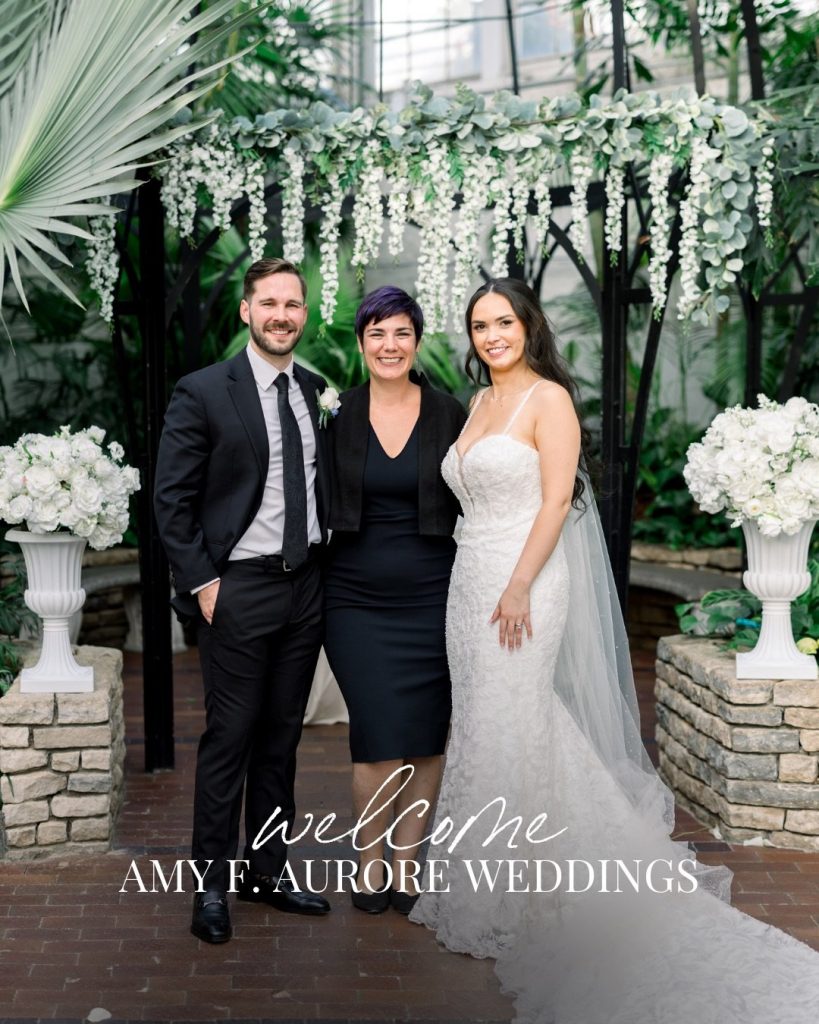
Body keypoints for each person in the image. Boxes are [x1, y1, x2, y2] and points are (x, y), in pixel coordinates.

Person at [410, 278, 819, 1022]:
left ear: (528, 327)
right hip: (468, 581)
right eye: (478, 325)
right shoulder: (478, 404)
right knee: (481, 722)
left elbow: (556, 500)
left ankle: (529, 890)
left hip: (524, 581)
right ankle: (487, 879)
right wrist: (487, 583)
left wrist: (517, 586)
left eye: (503, 321)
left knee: (514, 717)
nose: (490, 335)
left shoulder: (547, 400)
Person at [154, 257, 332, 945]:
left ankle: (268, 871)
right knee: (229, 738)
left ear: (303, 313)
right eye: (269, 303)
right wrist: (204, 583)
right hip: (238, 587)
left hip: (306, 585)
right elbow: (171, 501)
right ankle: (210, 886)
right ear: (245, 312)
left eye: (292, 303)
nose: (281, 315)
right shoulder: (203, 391)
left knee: (281, 739)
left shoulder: (317, 390)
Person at [324, 286, 466, 914]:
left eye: (402, 332)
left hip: (436, 594)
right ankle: (369, 864)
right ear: (361, 343)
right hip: (352, 597)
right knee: (378, 736)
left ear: (417, 340)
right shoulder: (335, 412)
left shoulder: (449, 414)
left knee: (426, 740)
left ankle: (408, 867)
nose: (390, 345)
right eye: (377, 333)